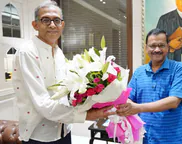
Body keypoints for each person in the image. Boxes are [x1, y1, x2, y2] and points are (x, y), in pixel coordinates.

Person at [12, 1, 114, 143]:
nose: (52, 25)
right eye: (46, 20)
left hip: (64, 129)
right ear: (35, 25)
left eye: (57, 20)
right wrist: (85, 115)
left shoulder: (58, 52)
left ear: (62, 25)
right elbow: (43, 103)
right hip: (40, 135)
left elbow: (67, 90)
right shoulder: (27, 52)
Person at [117, 28, 182, 144]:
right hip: (146, 137)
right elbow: (129, 97)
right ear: (146, 48)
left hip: (174, 138)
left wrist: (138, 108)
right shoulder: (139, 72)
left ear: (167, 47)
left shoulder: (180, 69)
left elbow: (174, 101)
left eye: (161, 45)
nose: (157, 49)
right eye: (152, 46)